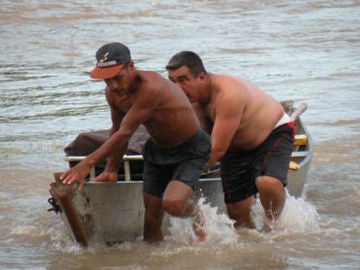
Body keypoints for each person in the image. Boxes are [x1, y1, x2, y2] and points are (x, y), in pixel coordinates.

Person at [60, 43, 211, 243]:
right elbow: (116, 129)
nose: (113, 86)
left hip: (190, 148)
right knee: (151, 220)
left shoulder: (151, 88)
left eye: (118, 77)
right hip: (157, 149)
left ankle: (198, 212)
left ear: (131, 66)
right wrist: (111, 168)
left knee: (173, 204)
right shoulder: (112, 93)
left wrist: (87, 164)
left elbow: (125, 133)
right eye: (107, 80)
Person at [166, 51, 294, 229]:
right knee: (237, 215)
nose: (177, 87)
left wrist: (183, 178)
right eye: (172, 81)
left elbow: (217, 150)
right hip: (233, 146)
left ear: (201, 77)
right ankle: (253, 244)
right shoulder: (186, 99)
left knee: (267, 182)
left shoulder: (228, 95)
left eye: (183, 80)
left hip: (271, 134)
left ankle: (274, 226)